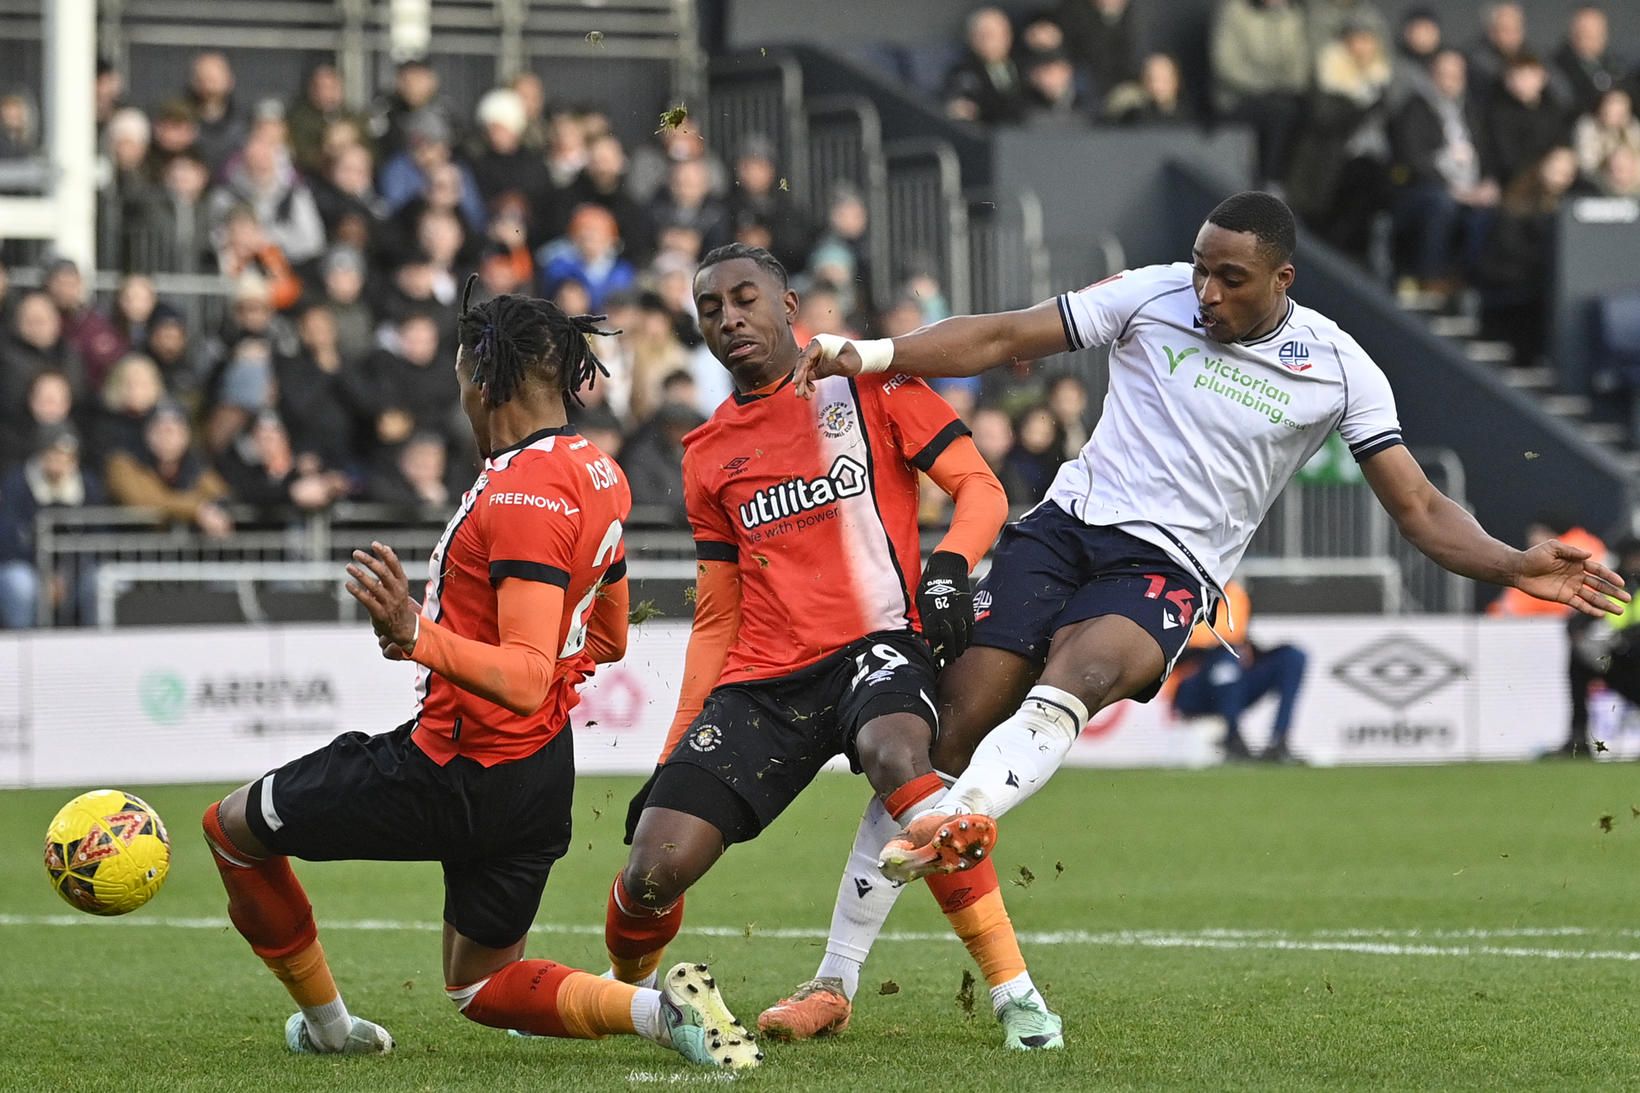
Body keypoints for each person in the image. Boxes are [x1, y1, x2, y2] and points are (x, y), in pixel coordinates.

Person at [786, 191, 1628, 1017]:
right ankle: (834, 981)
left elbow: (1420, 509)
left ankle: (963, 816)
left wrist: (1515, 561)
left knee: (1084, 672)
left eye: (1230, 278)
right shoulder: (1150, 295)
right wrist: (868, 352)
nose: (1206, 293)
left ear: (1282, 279)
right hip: (1064, 528)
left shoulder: (1337, 368)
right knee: (949, 731)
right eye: (1199, 269)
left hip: (1171, 564)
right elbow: (1005, 334)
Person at [197, 282, 761, 1068]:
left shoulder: (521, 495)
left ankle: (327, 1027)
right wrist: (535, 675)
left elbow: (529, 675)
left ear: (484, 379)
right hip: (536, 773)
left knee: (232, 831)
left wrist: (414, 634)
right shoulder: (598, 469)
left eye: (463, 368)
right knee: (480, 984)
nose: (457, 386)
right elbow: (608, 635)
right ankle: (660, 1012)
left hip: (452, 767)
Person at [602, 244, 1061, 1051]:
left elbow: (981, 489)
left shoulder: (872, 383)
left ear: (790, 307)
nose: (729, 317)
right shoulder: (706, 451)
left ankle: (1015, 993)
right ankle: (622, 996)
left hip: (877, 648)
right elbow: (717, 615)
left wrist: (950, 561)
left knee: (898, 754)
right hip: (765, 681)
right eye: (711, 309)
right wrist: (677, 741)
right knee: (650, 870)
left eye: (746, 298)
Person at [1169, 580, 1308, 761]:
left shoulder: (1235, 594)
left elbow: (1240, 638)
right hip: (1192, 687)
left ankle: (1278, 741)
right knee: (1225, 661)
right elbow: (1174, 654)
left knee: (1292, 657)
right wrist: (1216, 650)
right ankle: (1233, 739)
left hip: (1233, 684)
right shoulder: (1180, 593)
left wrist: (1250, 650)